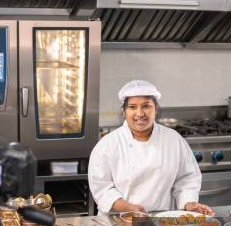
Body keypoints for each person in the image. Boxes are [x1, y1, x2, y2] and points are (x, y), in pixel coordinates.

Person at [88, 80, 214, 215]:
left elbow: (187, 178)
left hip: (160, 220)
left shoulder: (173, 139)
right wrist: (127, 208)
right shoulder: (107, 144)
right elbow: (101, 188)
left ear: (156, 109)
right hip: (117, 221)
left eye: (146, 106)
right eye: (132, 107)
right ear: (124, 112)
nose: (140, 113)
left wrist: (189, 203)